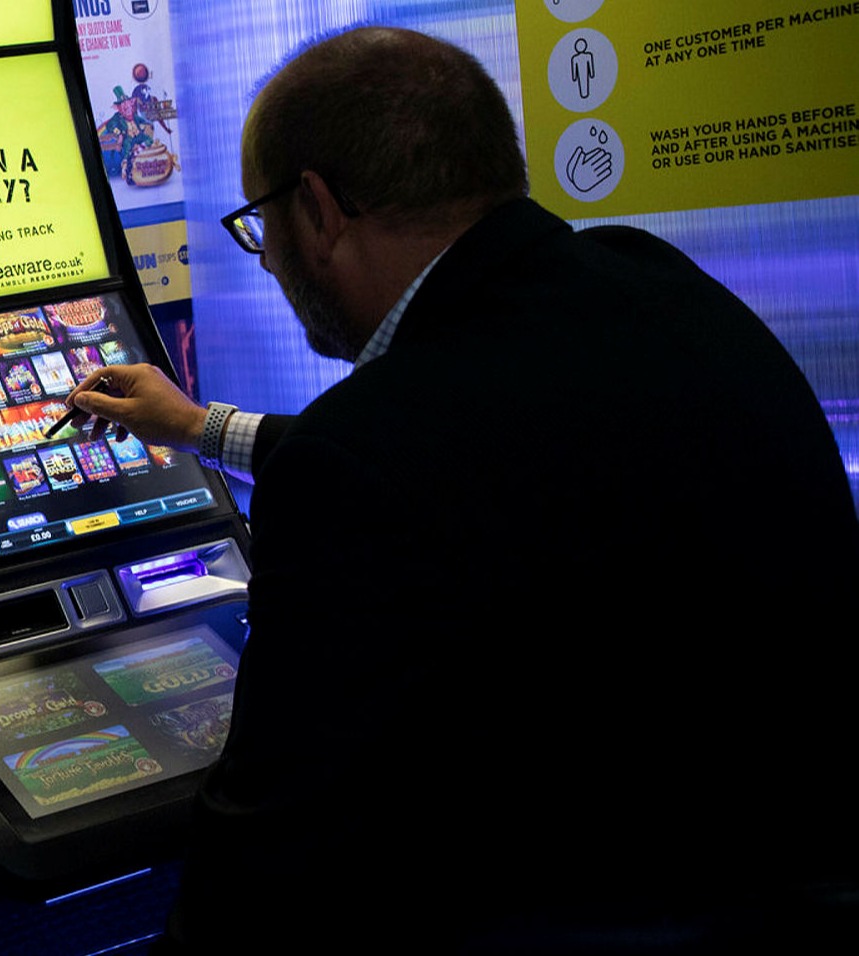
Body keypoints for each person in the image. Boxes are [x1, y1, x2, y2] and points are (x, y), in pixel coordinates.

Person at [66, 26, 859, 953]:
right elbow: (488, 459)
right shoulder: (646, 279)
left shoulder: (371, 459)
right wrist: (202, 426)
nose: (269, 260)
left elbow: (268, 856)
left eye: (258, 227)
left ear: (316, 210)